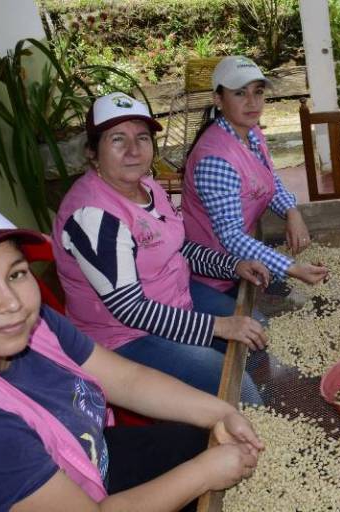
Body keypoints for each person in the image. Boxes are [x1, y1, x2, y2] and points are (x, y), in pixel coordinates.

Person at [0, 205, 264, 511]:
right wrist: (202, 475)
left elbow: (127, 379)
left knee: (205, 440)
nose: (12, 303)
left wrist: (220, 413)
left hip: (98, 456)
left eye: (16, 274)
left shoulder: (38, 325)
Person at [52, 93, 267, 399]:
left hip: (172, 294)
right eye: (117, 139)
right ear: (92, 151)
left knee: (257, 326)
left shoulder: (147, 185)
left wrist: (230, 265)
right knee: (236, 386)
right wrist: (218, 326)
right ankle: (251, 416)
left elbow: (176, 248)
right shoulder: (92, 216)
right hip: (128, 335)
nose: (133, 151)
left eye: (142, 137)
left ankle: (268, 408)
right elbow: (131, 309)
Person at [181, 55, 328, 293]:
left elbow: (266, 179)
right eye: (240, 93)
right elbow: (230, 237)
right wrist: (292, 268)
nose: (252, 102)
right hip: (217, 273)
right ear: (218, 99)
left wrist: (291, 211)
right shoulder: (215, 160)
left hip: (248, 254)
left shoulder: (251, 133)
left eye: (258, 92)